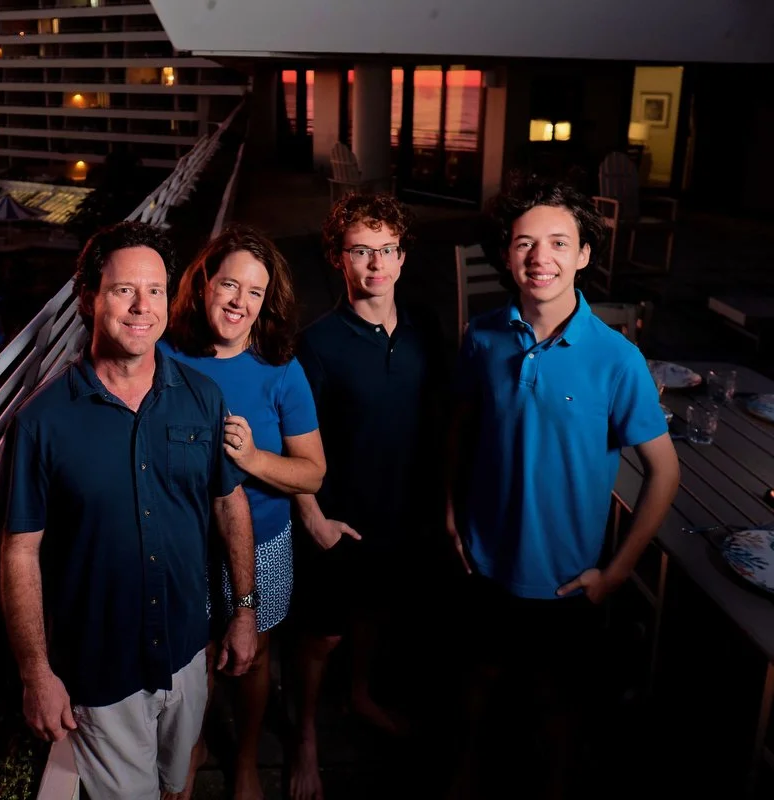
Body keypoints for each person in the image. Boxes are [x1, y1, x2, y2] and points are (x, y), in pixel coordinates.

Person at [0, 221, 259, 799]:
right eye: (123, 291)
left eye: (157, 290)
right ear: (88, 298)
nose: (143, 307)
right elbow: (21, 551)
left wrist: (243, 610)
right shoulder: (41, 424)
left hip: (189, 650)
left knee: (180, 778)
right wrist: (36, 672)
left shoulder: (202, 396)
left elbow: (228, 503)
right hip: (101, 671)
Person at [445, 181, 680, 798]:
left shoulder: (616, 358)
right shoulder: (483, 336)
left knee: (559, 699)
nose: (538, 257)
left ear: (583, 255)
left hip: (569, 574)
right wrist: (451, 511)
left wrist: (616, 572)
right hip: (488, 559)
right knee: (478, 676)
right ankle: (465, 768)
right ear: (506, 254)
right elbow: (461, 431)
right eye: (524, 243)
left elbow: (665, 472)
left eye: (557, 243)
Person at [289, 193, 447, 800]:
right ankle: (304, 734)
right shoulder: (317, 343)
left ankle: (360, 696)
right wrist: (315, 518)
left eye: (386, 250)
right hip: (341, 517)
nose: (375, 264)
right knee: (323, 634)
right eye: (361, 250)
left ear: (402, 259)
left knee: (376, 614)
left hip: (404, 511)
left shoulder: (426, 329)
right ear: (338, 258)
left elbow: (441, 416)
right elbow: (293, 442)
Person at [162, 224, 326, 799]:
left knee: (251, 659)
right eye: (229, 284)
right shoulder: (163, 353)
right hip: (183, 540)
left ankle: (249, 759)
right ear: (203, 282)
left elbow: (312, 472)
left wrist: (254, 457)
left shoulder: (280, 367)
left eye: (254, 293)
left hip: (263, 542)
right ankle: (197, 743)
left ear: (267, 302)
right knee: (195, 656)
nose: (239, 302)